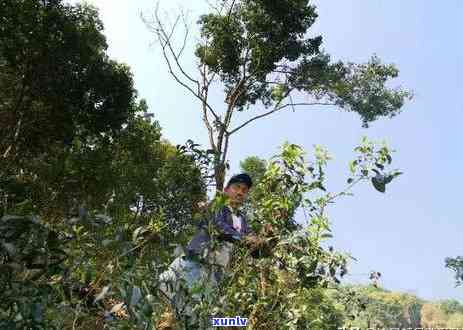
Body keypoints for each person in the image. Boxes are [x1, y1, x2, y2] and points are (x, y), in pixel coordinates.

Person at [157, 173, 263, 326]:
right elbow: (218, 227)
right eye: (237, 187)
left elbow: (255, 250)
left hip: (214, 274)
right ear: (226, 190)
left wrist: (264, 242)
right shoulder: (217, 205)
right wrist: (244, 239)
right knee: (160, 292)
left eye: (244, 190)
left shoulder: (243, 221)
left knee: (199, 317)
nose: (240, 192)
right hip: (194, 263)